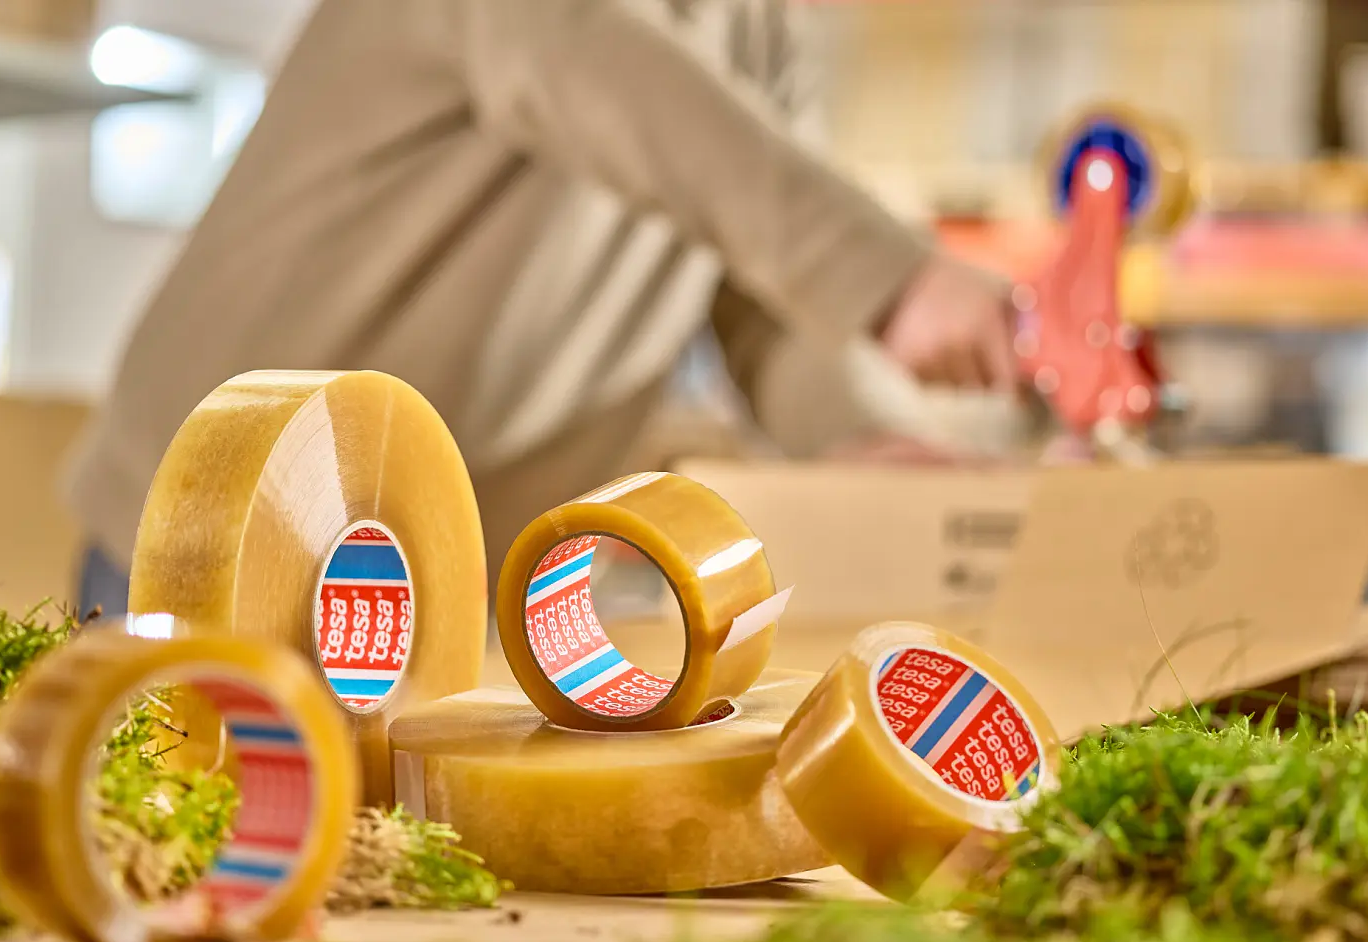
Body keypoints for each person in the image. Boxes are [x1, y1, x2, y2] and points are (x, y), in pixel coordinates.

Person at [68, 0, 1019, 616]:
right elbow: (587, 63)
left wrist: (852, 435)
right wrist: (887, 273)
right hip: (229, 518)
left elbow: (754, 285)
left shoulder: (760, 28)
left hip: (451, 571)